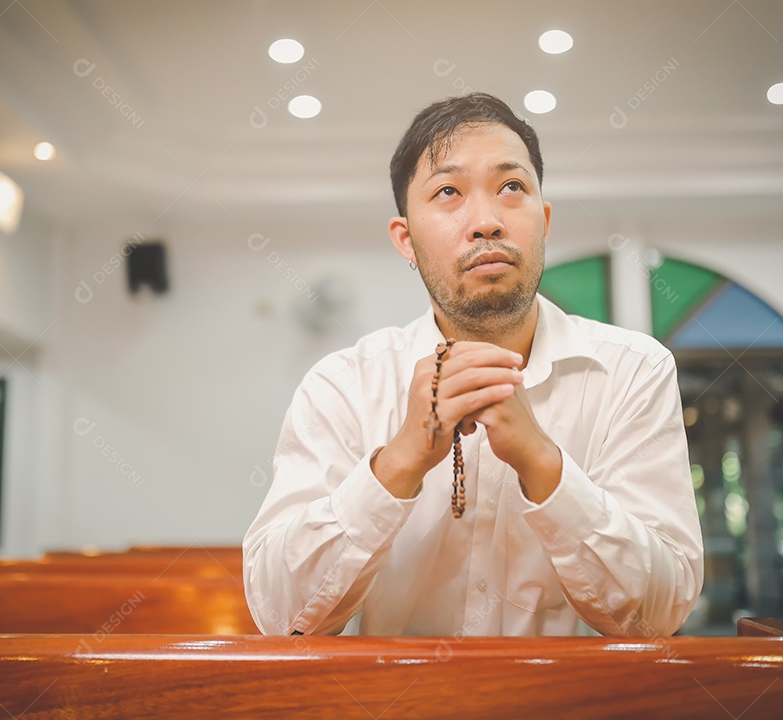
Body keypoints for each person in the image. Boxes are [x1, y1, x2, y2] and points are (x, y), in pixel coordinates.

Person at [243, 92, 703, 637]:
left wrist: (543, 463)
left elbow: (658, 616)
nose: (486, 221)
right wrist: (399, 462)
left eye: (512, 187)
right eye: (448, 192)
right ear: (406, 240)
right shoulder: (342, 386)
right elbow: (281, 616)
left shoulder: (633, 372)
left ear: (544, 220)